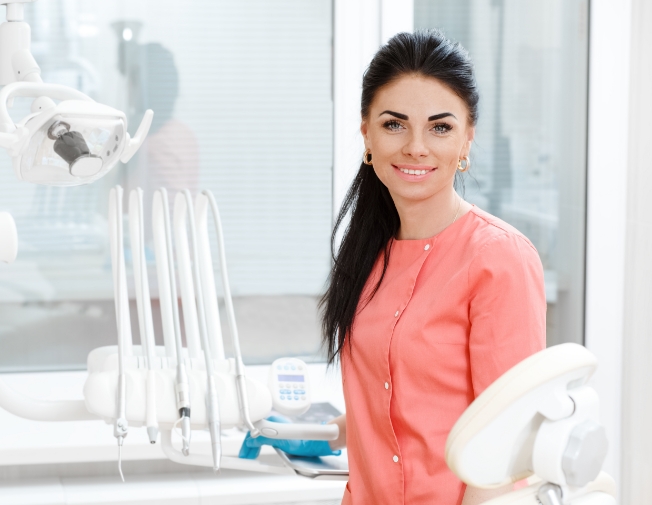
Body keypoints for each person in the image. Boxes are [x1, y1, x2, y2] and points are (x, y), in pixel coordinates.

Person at [240, 30, 546, 505]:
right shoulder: (368, 254)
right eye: (394, 124)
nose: (416, 147)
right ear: (366, 132)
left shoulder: (498, 258)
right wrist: (311, 433)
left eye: (440, 127)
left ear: (467, 139)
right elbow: (395, 410)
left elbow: (506, 448)